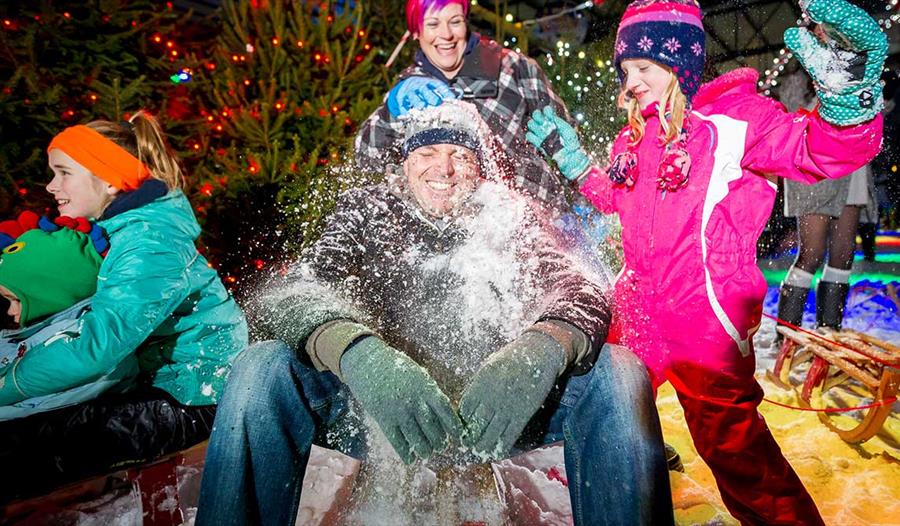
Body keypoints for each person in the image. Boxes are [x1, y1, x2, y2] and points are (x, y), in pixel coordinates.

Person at [197, 102, 673, 526]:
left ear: (478, 168)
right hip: (382, 412)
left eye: (461, 156)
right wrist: (360, 356)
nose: (444, 168)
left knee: (619, 372)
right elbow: (293, 289)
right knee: (259, 368)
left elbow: (579, 287)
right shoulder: (369, 211)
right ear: (405, 163)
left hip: (495, 412)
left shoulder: (506, 215)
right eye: (427, 154)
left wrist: (540, 348)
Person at [524, 0, 885, 524]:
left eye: (643, 69)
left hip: (706, 323)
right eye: (626, 71)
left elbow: (817, 150)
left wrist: (847, 101)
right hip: (636, 315)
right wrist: (575, 162)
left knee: (735, 453)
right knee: (601, 417)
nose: (631, 83)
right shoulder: (635, 135)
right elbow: (619, 201)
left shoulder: (736, 121)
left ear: (680, 66)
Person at [0, 112, 248, 501]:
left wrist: (8, 383)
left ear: (110, 177)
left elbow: (99, 344)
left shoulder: (150, 243)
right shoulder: (126, 226)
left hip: (192, 396)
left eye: (64, 173)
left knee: (21, 446)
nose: (51, 186)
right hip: (159, 383)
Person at [355, 0, 577, 205]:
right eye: (433, 24)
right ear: (416, 31)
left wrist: (583, 207)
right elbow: (366, 159)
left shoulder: (513, 69)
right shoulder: (410, 90)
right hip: (456, 238)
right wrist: (391, 111)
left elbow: (568, 146)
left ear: (465, 23)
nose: (446, 34)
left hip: (535, 220)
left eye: (455, 22)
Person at [0, 211, 137, 421]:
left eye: (16, 300)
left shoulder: (86, 342)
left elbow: (34, 415)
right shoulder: (36, 332)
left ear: (49, 293)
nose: (10, 311)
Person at [776, 72, 880, 331]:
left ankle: (829, 329)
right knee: (811, 254)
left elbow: (873, 113)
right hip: (817, 166)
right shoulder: (800, 75)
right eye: (819, 29)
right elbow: (791, 116)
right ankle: (787, 333)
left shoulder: (856, 68)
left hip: (852, 165)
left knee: (843, 255)